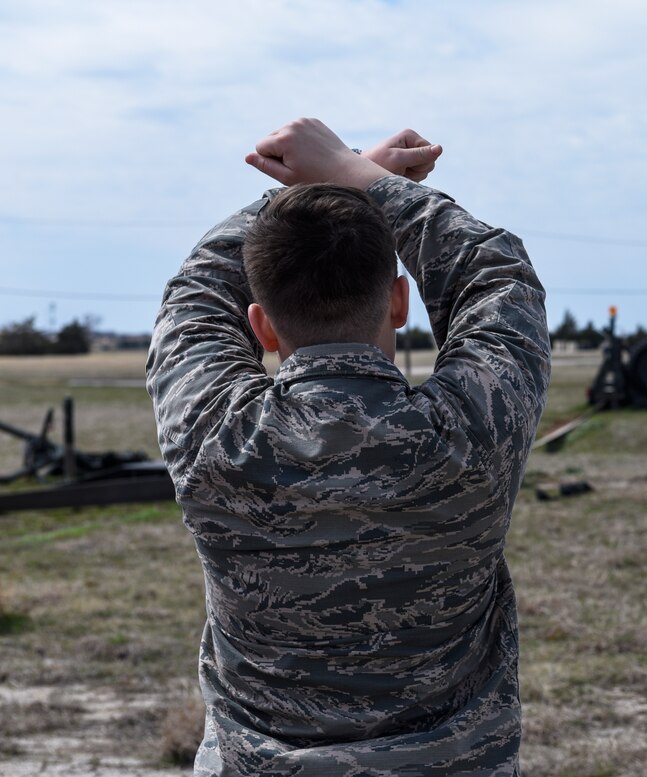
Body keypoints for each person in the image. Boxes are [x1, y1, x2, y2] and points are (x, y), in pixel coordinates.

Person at [146, 118, 550, 776]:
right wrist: (360, 175)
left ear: (262, 327)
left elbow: (197, 288)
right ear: (399, 302)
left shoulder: (215, 433)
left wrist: (342, 174)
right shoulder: (471, 431)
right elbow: (495, 274)